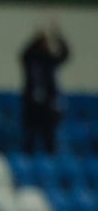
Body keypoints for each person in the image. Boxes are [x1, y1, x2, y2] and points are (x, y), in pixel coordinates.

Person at [20, 26, 69, 154]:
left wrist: (58, 36)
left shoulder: (50, 60)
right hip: (32, 106)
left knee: (49, 138)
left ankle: (50, 158)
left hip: (48, 106)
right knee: (30, 137)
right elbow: (24, 53)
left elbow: (65, 54)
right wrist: (36, 39)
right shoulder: (31, 60)